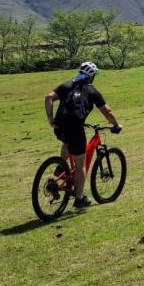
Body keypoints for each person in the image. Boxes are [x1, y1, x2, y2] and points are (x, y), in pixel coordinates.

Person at [45, 61, 123, 209]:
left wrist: (50, 118)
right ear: (92, 77)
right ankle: (79, 199)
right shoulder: (91, 90)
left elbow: (48, 98)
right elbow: (107, 111)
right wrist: (116, 125)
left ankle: (61, 166)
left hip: (60, 127)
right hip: (75, 129)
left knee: (67, 143)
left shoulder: (66, 85)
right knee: (80, 165)